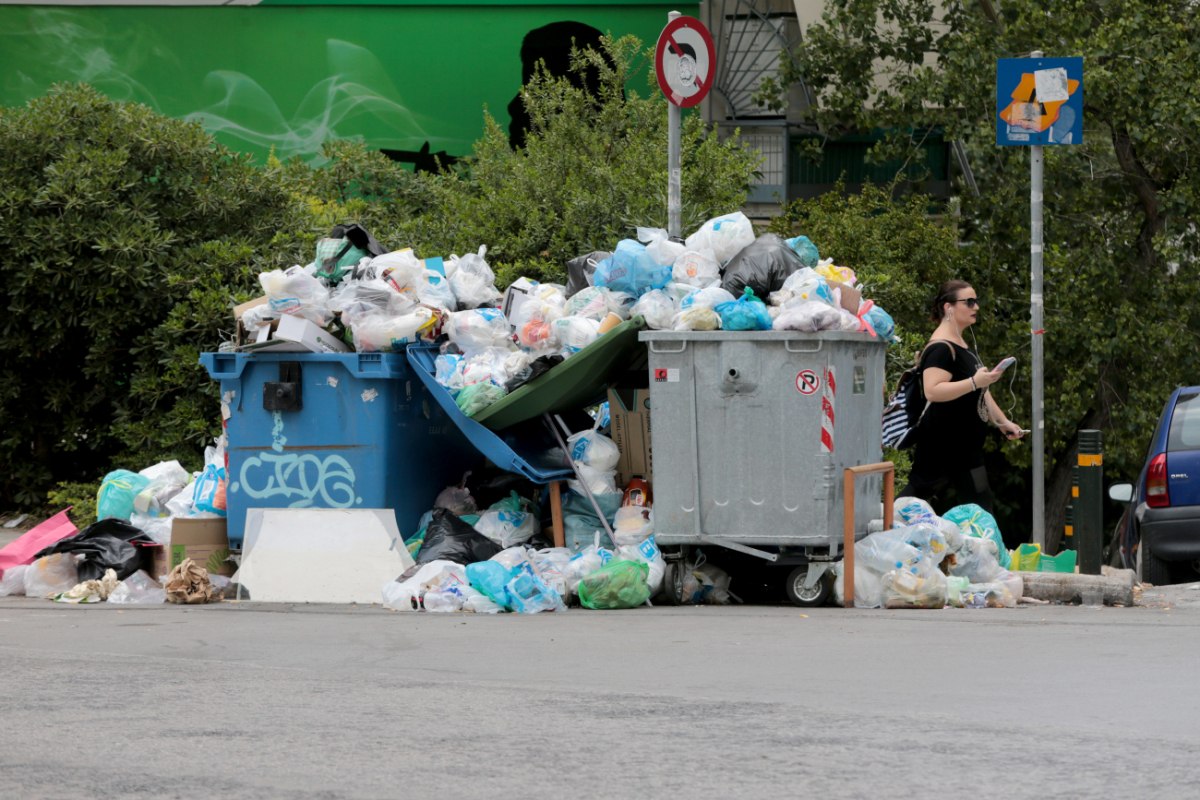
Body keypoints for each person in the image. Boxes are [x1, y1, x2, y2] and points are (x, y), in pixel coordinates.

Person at [898, 280, 1025, 512]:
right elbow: (933, 390)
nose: (976, 307)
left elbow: (981, 391)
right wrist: (975, 381)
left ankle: (982, 547)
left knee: (981, 504)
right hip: (942, 445)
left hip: (966, 449)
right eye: (969, 302)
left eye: (976, 301)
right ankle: (882, 532)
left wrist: (1002, 422)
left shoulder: (962, 345)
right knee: (914, 499)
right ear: (949, 308)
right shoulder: (941, 348)